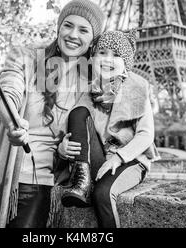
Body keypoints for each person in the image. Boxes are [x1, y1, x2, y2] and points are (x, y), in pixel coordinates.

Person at [0, 0, 105, 228]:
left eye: (83, 30)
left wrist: (64, 150)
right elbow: (7, 93)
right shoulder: (25, 56)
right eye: (68, 25)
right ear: (58, 27)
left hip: (41, 182)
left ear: (92, 39)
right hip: (6, 175)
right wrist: (11, 122)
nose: (73, 34)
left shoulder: (88, 79)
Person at [57, 30, 160, 228]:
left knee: (103, 194)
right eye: (102, 52)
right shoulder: (88, 90)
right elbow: (77, 129)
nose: (107, 59)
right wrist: (64, 149)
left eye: (116, 55)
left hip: (130, 160)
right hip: (99, 158)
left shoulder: (138, 87)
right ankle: (82, 181)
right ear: (93, 57)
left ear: (126, 63)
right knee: (78, 112)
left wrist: (119, 157)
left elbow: (146, 134)